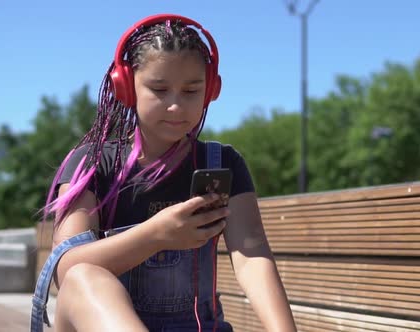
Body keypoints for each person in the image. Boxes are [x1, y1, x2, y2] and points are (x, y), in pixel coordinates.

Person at [32, 14, 297, 332]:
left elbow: (251, 257)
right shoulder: (91, 164)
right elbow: (67, 270)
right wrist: (156, 235)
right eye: (159, 89)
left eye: (190, 91)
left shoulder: (220, 164)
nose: (175, 106)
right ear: (126, 87)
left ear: (210, 90)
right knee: (85, 276)